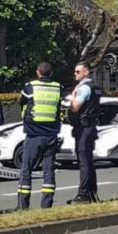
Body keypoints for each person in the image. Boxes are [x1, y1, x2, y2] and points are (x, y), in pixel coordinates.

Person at [15, 62, 62, 209]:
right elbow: (60, 106)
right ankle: (46, 204)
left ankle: (23, 205)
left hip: (34, 133)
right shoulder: (58, 87)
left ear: (38, 72)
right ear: (51, 73)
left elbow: (22, 102)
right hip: (52, 133)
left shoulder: (30, 86)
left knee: (26, 168)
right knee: (49, 169)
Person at [68, 62, 103, 204]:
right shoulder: (95, 87)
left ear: (86, 72)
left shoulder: (85, 88)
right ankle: (92, 193)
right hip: (90, 126)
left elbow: (75, 107)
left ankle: (83, 195)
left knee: (84, 162)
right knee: (88, 161)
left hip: (84, 127)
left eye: (78, 71)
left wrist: (72, 96)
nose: (75, 74)